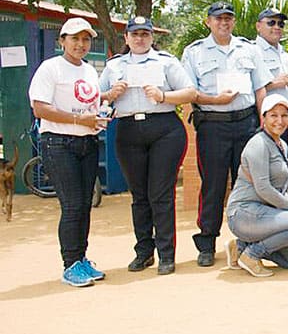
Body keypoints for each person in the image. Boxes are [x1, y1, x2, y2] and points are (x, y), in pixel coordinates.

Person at [100, 16, 196, 275]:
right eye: (135, 34)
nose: (140, 39)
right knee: (139, 195)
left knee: (160, 193)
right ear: (126, 38)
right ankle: (144, 251)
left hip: (164, 128)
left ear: (152, 37)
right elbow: (97, 100)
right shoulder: (114, 66)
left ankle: (166, 253)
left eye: (145, 34)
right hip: (129, 130)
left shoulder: (165, 62)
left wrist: (164, 95)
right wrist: (110, 95)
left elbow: (190, 92)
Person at [181, 1, 271, 267]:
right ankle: (207, 242)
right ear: (208, 22)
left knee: (251, 183)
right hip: (212, 124)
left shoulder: (249, 50)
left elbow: (260, 89)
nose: (224, 22)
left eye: (228, 18)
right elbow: (190, 92)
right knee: (213, 184)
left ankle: (250, 240)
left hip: (246, 123)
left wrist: (263, 121)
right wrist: (215, 100)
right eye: (218, 18)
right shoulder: (194, 52)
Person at [28, 18, 108, 287]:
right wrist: (79, 121)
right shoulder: (51, 69)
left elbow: (87, 103)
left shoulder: (88, 71)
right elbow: (40, 108)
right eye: (74, 39)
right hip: (59, 144)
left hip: (87, 142)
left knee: (85, 204)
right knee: (72, 205)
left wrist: (106, 99)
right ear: (62, 41)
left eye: (86, 39)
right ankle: (70, 264)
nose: (80, 44)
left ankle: (81, 259)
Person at [225, 95, 288, 277]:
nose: (279, 121)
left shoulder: (281, 144)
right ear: (263, 117)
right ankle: (251, 254)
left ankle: (241, 246)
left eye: (284, 116)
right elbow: (263, 188)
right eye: (273, 115)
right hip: (244, 213)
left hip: (265, 213)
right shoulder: (258, 144)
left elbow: (282, 187)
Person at [254, 7, 288, 124]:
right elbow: (244, 90)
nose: (276, 27)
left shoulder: (286, 56)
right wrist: (273, 84)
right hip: (263, 121)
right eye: (271, 23)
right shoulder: (252, 52)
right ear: (258, 26)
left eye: (280, 24)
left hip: (283, 120)